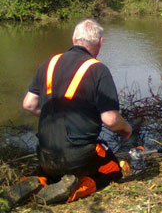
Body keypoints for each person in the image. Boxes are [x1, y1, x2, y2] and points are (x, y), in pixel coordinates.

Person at [3, 19, 132, 207]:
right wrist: (126, 129)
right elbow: (110, 119)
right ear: (100, 42)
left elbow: (29, 104)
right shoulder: (98, 69)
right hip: (78, 158)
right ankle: (73, 189)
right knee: (113, 169)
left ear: (73, 38)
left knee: (50, 168)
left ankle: (37, 181)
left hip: (45, 154)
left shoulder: (50, 62)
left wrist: (52, 114)